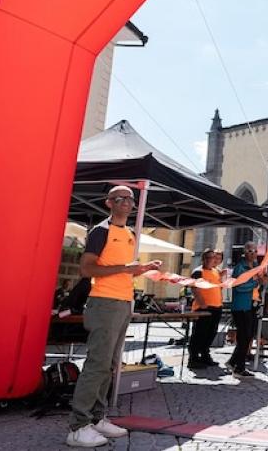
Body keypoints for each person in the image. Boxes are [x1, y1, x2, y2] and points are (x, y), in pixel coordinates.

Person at [66, 186, 162, 448]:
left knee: (109, 365)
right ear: (109, 203)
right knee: (97, 364)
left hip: (122, 302)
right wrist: (126, 268)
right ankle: (78, 426)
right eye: (121, 199)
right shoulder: (101, 231)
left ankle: (97, 418)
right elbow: (86, 269)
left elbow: (123, 272)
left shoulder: (129, 234)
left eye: (130, 199)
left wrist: (143, 268)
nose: (127, 203)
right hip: (104, 302)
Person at [228, 242, 262, 378]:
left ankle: (233, 362)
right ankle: (239, 368)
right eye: (249, 251)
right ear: (244, 252)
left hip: (251, 305)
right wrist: (256, 283)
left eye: (254, 251)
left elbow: (257, 287)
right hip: (241, 306)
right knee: (244, 337)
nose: (252, 253)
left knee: (248, 336)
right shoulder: (240, 267)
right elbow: (238, 287)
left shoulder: (254, 267)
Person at [188, 248, 224, 370]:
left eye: (213, 257)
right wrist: (202, 304)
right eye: (209, 257)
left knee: (211, 333)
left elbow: (218, 288)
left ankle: (204, 355)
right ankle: (193, 358)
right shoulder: (198, 271)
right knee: (199, 333)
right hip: (203, 308)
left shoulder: (215, 271)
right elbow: (194, 289)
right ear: (203, 259)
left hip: (216, 307)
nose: (211, 260)